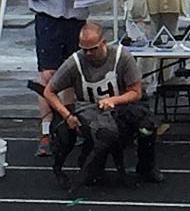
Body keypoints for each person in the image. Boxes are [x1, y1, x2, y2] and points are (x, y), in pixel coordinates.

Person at [42, 22, 163, 183]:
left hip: (122, 110)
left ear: (104, 43)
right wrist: (67, 115)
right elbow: (49, 91)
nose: (89, 53)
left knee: (147, 125)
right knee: (92, 175)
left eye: (94, 48)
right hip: (90, 114)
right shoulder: (74, 63)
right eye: (85, 49)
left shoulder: (122, 57)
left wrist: (113, 100)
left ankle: (147, 166)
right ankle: (90, 160)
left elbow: (136, 92)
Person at [25, 0, 100, 156]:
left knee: (73, 74)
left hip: (75, 20)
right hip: (50, 20)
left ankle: (69, 125)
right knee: (48, 75)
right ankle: (46, 132)